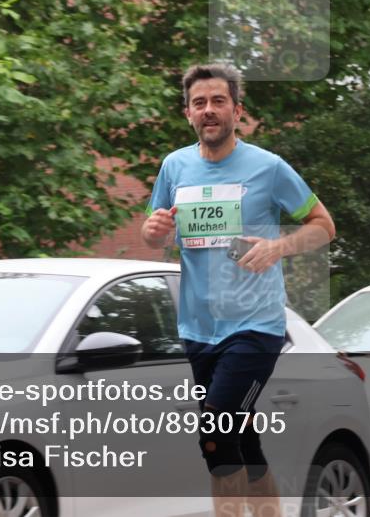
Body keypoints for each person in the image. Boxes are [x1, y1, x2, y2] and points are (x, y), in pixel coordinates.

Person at [141, 63, 335, 516]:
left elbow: (324, 226)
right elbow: (158, 235)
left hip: (255, 325)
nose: (209, 110)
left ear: (237, 110)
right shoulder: (174, 166)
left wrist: (277, 247)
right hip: (198, 327)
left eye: (218, 101)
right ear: (187, 113)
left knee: (215, 431)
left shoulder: (268, 168)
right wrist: (153, 231)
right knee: (239, 435)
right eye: (199, 103)